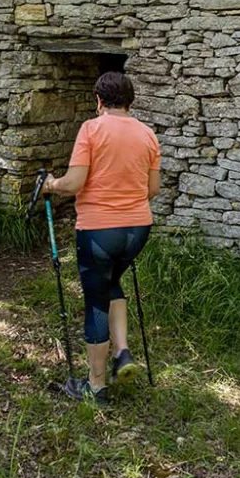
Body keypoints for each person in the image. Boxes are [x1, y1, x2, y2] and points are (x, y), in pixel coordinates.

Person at [42, 70, 160, 406]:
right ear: (131, 101)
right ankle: (122, 352)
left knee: (95, 300)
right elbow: (153, 189)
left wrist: (51, 183)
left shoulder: (91, 129)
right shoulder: (148, 134)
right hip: (138, 229)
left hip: (98, 231)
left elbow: (74, 183)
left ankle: (94, 387)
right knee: (113, 285)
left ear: (98, 101)